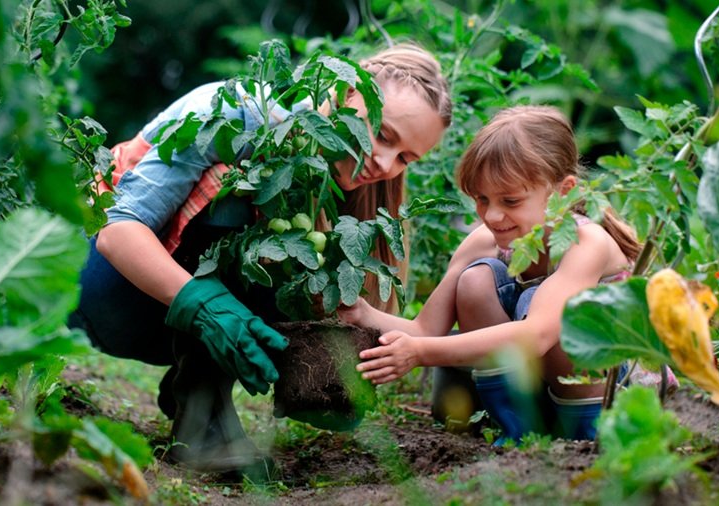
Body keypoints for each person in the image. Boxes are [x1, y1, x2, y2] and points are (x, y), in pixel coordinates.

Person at [67, 43, 452, 474]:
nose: (384, 162)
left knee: (294, 242)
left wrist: (328, 363)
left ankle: (196, 398)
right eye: (381, 135)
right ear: (346, 94)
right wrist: (204, 305)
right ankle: (205, 424)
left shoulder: (345, 179)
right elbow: (116, 231)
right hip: (97, 287)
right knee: (239, 187)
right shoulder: (241, 116)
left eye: (406, 158)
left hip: (164, 319)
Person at [339, 105, 642, 443]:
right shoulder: (485, 241)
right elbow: (425, 329)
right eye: (482, 199)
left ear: (563, 191)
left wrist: (419, 353)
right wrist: (361, 313)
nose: (493, 216)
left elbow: (538, 335)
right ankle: (517, 431)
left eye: (510, 201)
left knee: (560, 314)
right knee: (474, 281)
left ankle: (584, 437)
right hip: (537, 389)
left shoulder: (587, 243)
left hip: (609, 397)